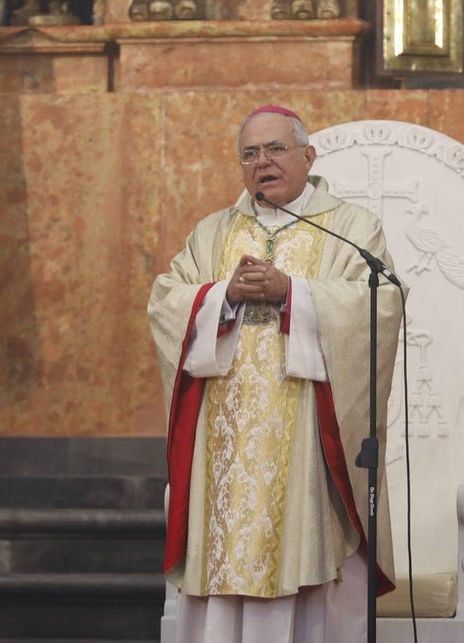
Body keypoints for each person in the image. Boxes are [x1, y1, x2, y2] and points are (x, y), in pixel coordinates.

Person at [147, 105, 404, 642]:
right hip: (226, 443)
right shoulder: (214, 232)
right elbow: (165, 302)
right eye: (249, 153)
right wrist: (222, 295)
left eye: (275, 149)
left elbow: (379, 304)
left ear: (308, 156)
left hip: (307, 442)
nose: (261, 162)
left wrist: (294, 293)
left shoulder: (352, 228)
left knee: (301, 554)